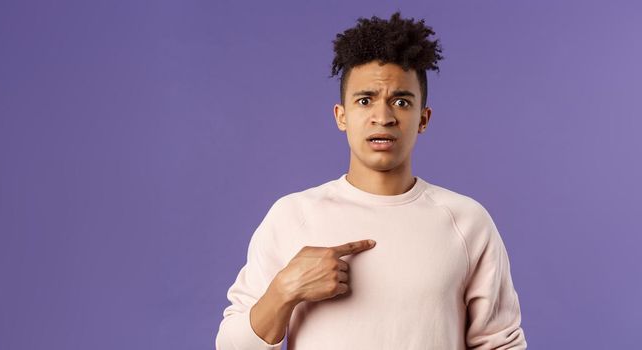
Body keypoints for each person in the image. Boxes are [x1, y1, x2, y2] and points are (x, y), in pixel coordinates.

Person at [215, 11, 527, 350]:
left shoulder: (467, 222)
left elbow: (501, 344)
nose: (383, 117)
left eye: (401, 102)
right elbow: (233, 346)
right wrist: (285, 290)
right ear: (342, 116)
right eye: (365, 100)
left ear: (423, 118)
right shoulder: (292, 216)